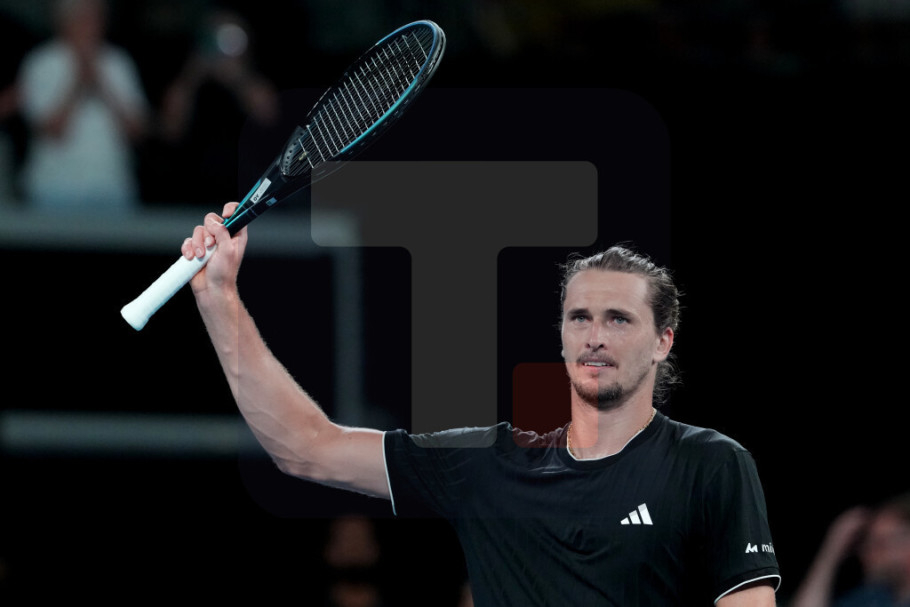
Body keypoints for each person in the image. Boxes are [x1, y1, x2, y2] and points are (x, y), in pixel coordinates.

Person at [183, 202, 781, 605]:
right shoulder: (487, 463)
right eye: (579, 318)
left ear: (662, 342)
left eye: (618, 319)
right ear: (562, 335)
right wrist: (219, 299)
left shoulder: (711, 464)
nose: (595, 336)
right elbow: (305, 447)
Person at [17, 0, 148, 213]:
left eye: (98, 17)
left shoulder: (119, 62)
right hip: (54, 190)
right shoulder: (41, 63)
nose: (93, 24)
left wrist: (103, 85)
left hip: (112, 188)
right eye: (84, 17)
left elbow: (137, 131)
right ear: (65, 22)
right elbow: (53, 131)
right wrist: (78, 81)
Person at [789, 493, 910, 607]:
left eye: (879, 543)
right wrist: (832, 549)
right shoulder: (872, 597)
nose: (866, 553)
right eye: (866, 544)